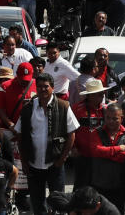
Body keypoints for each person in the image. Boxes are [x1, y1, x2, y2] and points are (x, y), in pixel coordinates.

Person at [14, 74, 78, 215]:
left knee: (59, 201)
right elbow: (19, 135)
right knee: (37, 201)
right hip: (33, 164)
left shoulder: (63, 106)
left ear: (53, 88)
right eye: (39, 86)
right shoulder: (28, 108)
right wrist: (24, 161)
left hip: (55, 163)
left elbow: (71, 134)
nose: (42, 89)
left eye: (46, 86)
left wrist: (63, 158)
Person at [81, 103, 125, 210]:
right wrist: (118, 149)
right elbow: (96, 151)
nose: (111, 121)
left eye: (115, 118)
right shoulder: (96, 132)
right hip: (99, 185)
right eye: (108, 118)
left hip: (120, 186)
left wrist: (105, 154)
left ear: (122, 118)